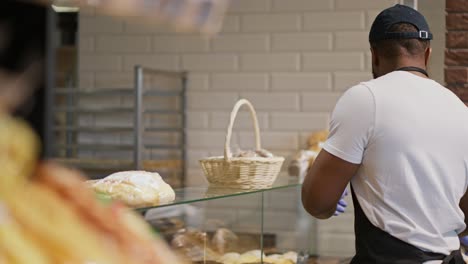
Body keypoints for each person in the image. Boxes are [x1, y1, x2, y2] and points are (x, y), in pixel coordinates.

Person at [301, 4, 468, 264]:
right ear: (427, 54)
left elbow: (318, 203)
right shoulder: (459, 109)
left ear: (374, 55)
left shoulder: (364, 99)